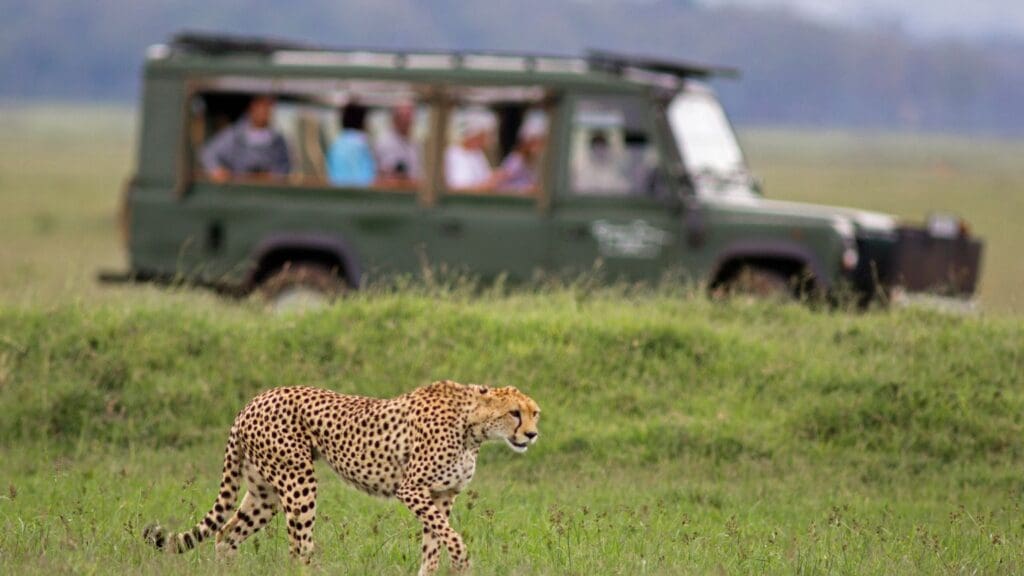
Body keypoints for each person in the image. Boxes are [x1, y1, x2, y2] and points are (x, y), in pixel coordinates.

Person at [201, 95, 291, 182]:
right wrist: (217, 171)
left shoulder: (278, 141)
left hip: (268, 193)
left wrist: (272, 177)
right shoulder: (235, 135)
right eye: (261, 105)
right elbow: (208, 153)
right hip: (237, 192)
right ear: (252, 107)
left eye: (269, 106)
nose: (265, 111)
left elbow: (284, 168)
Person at [444, 109, 503, 191]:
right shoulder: (453, 153)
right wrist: (485, 186)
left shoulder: (477, 153)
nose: (488, 140)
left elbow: (485, 179)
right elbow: (458, 188)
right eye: (484, 135)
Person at [327, 103, 376, 186]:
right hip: (361, 195)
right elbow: (369, 177)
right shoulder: (363, 144)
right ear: (362, 121)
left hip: (337, 194)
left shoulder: (336, 144)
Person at [497, 111, 547, 193]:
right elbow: (499, 183)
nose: (537, 147)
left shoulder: (532, 161)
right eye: (534, 142)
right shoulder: (516, 160)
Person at [375, 102, 421, 183]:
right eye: (403, 117)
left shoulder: (414, 143)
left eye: (409, 118)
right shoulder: (385, 142)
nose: (407, 122)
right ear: (394, 119)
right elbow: (389, 175)